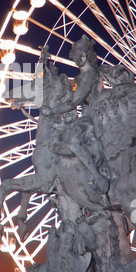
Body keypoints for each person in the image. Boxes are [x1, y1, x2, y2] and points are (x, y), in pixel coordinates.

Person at [41, 35, 109, 194]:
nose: (78, 58)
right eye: (75, 56)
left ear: (87, 54)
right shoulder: (79, 77)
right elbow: (69, 98)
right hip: (86, 116)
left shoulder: (90, 74)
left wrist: (52, 111)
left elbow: (74, 102)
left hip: (94, 117)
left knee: (72, 142)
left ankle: (98, 176)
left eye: (81, 55)